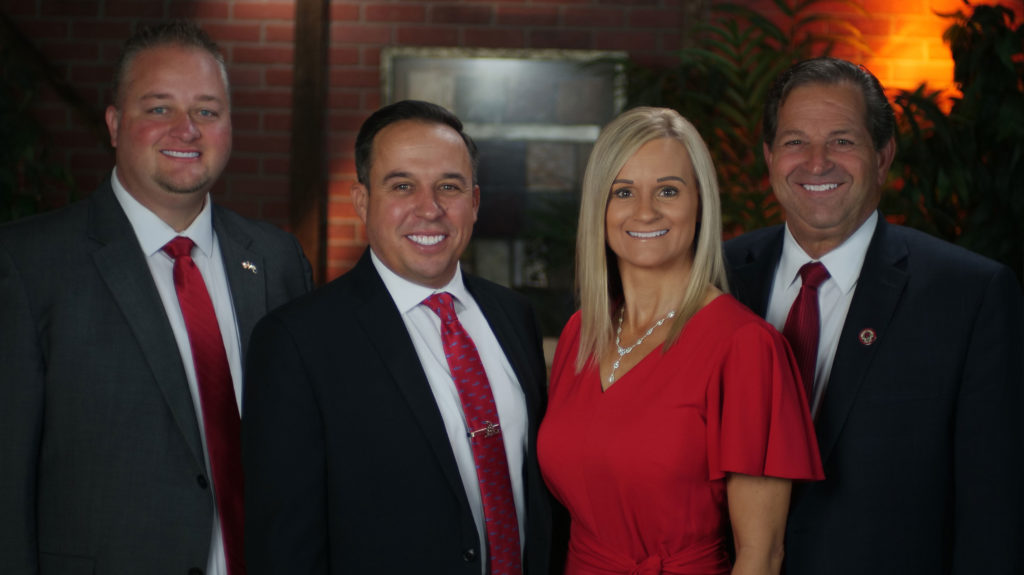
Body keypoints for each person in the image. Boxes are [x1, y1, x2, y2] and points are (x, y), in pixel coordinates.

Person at [0, 20, 312, 575]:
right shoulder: (27, 265)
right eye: (159, 108)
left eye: (207, 111)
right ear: (115, 125)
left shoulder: (277, 260)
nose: (187, 129)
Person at [724, 57, 1024, 575]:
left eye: (842, 140)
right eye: (795, 142)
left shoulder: (969, 295)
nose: (817, 163)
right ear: (770, 156)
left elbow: (993, 511)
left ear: (883, 156)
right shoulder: (716, 279)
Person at [243, 100, 555, 575]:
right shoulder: (296, 342)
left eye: (448, 187)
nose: (429, 209)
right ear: (363, 201)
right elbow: (285, 547)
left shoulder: (514, 316)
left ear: (473, 202)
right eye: (403, 186)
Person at [537, 107, 823, 575]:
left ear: (700, 204)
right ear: (599, 210)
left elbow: (761, 555)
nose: (645, 211)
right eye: (623, 192)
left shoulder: (745, 348)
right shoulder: (581, 333)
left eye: (668, 190)